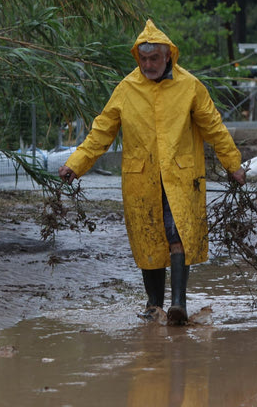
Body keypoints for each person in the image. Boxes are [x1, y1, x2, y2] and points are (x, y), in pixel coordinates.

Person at [58, 20, 246, 325]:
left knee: (178, 235)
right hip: (141, 180)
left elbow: (214, 128)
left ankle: (178, 305)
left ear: (168, 56)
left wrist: (233, 165)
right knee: (149, 241)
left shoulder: (190, 87)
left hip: (182, 178)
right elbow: (101, 133)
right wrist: (75, 164)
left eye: (154, 59)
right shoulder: (127, 89)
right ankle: (154, 305)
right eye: (143, 59)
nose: (148, 65)